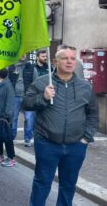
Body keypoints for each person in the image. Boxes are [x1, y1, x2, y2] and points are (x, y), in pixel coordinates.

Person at [24, 48, 98, 206]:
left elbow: (93, 114)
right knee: (42, 183)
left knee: (69, 185)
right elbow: (26, 104)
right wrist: (42, 97)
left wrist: (86, 138)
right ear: (56, 62)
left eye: (72, 58)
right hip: (47, 144)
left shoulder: (85, 86)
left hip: (76, 146)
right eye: (65, 58)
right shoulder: (43, 82)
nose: (70, 61)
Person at [8, 56, 37, 146]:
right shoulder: (11, 67)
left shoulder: (32, 68)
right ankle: (11, 137)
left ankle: (27, 139)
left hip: (27, 97)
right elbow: (7, 82)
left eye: (25, 53)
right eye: (21, 53)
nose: (23, 55)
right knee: (13, 118)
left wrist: (32, 95)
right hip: (14, 97)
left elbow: (36, 82)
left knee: (29, 118)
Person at [0, 68, 16, 167]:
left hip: (4, 118)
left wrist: (6, 116)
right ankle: (0, 154)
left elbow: (10, 101)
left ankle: (11, 157)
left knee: (7, 137)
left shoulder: (7, 85)